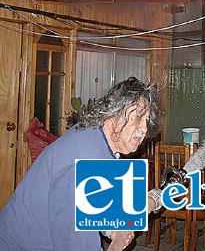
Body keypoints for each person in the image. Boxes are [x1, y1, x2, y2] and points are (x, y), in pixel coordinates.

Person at [0, 77, 158, 250]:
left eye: (146, 120)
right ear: (114, 116)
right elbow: (75, 243)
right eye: (137, 118)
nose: (144, 128)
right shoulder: (84, 160)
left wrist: (113, 229)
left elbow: (96, 200)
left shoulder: (96, 135)